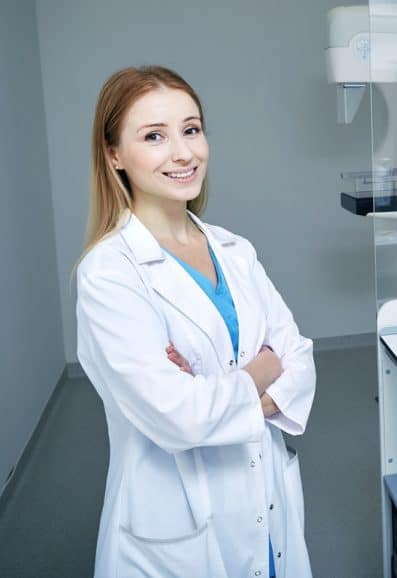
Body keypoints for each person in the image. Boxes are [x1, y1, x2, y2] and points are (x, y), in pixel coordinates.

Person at [76, 66, 316, 578]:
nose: (183, 152)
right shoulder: (109, 274)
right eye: (154, 136)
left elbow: (300, 358)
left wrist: (216, 389)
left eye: (191, 129)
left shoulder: (235, 250)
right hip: (176, 527)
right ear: (114, 154)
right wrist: (260, 371)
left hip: (264, 501)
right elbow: (178, 416)